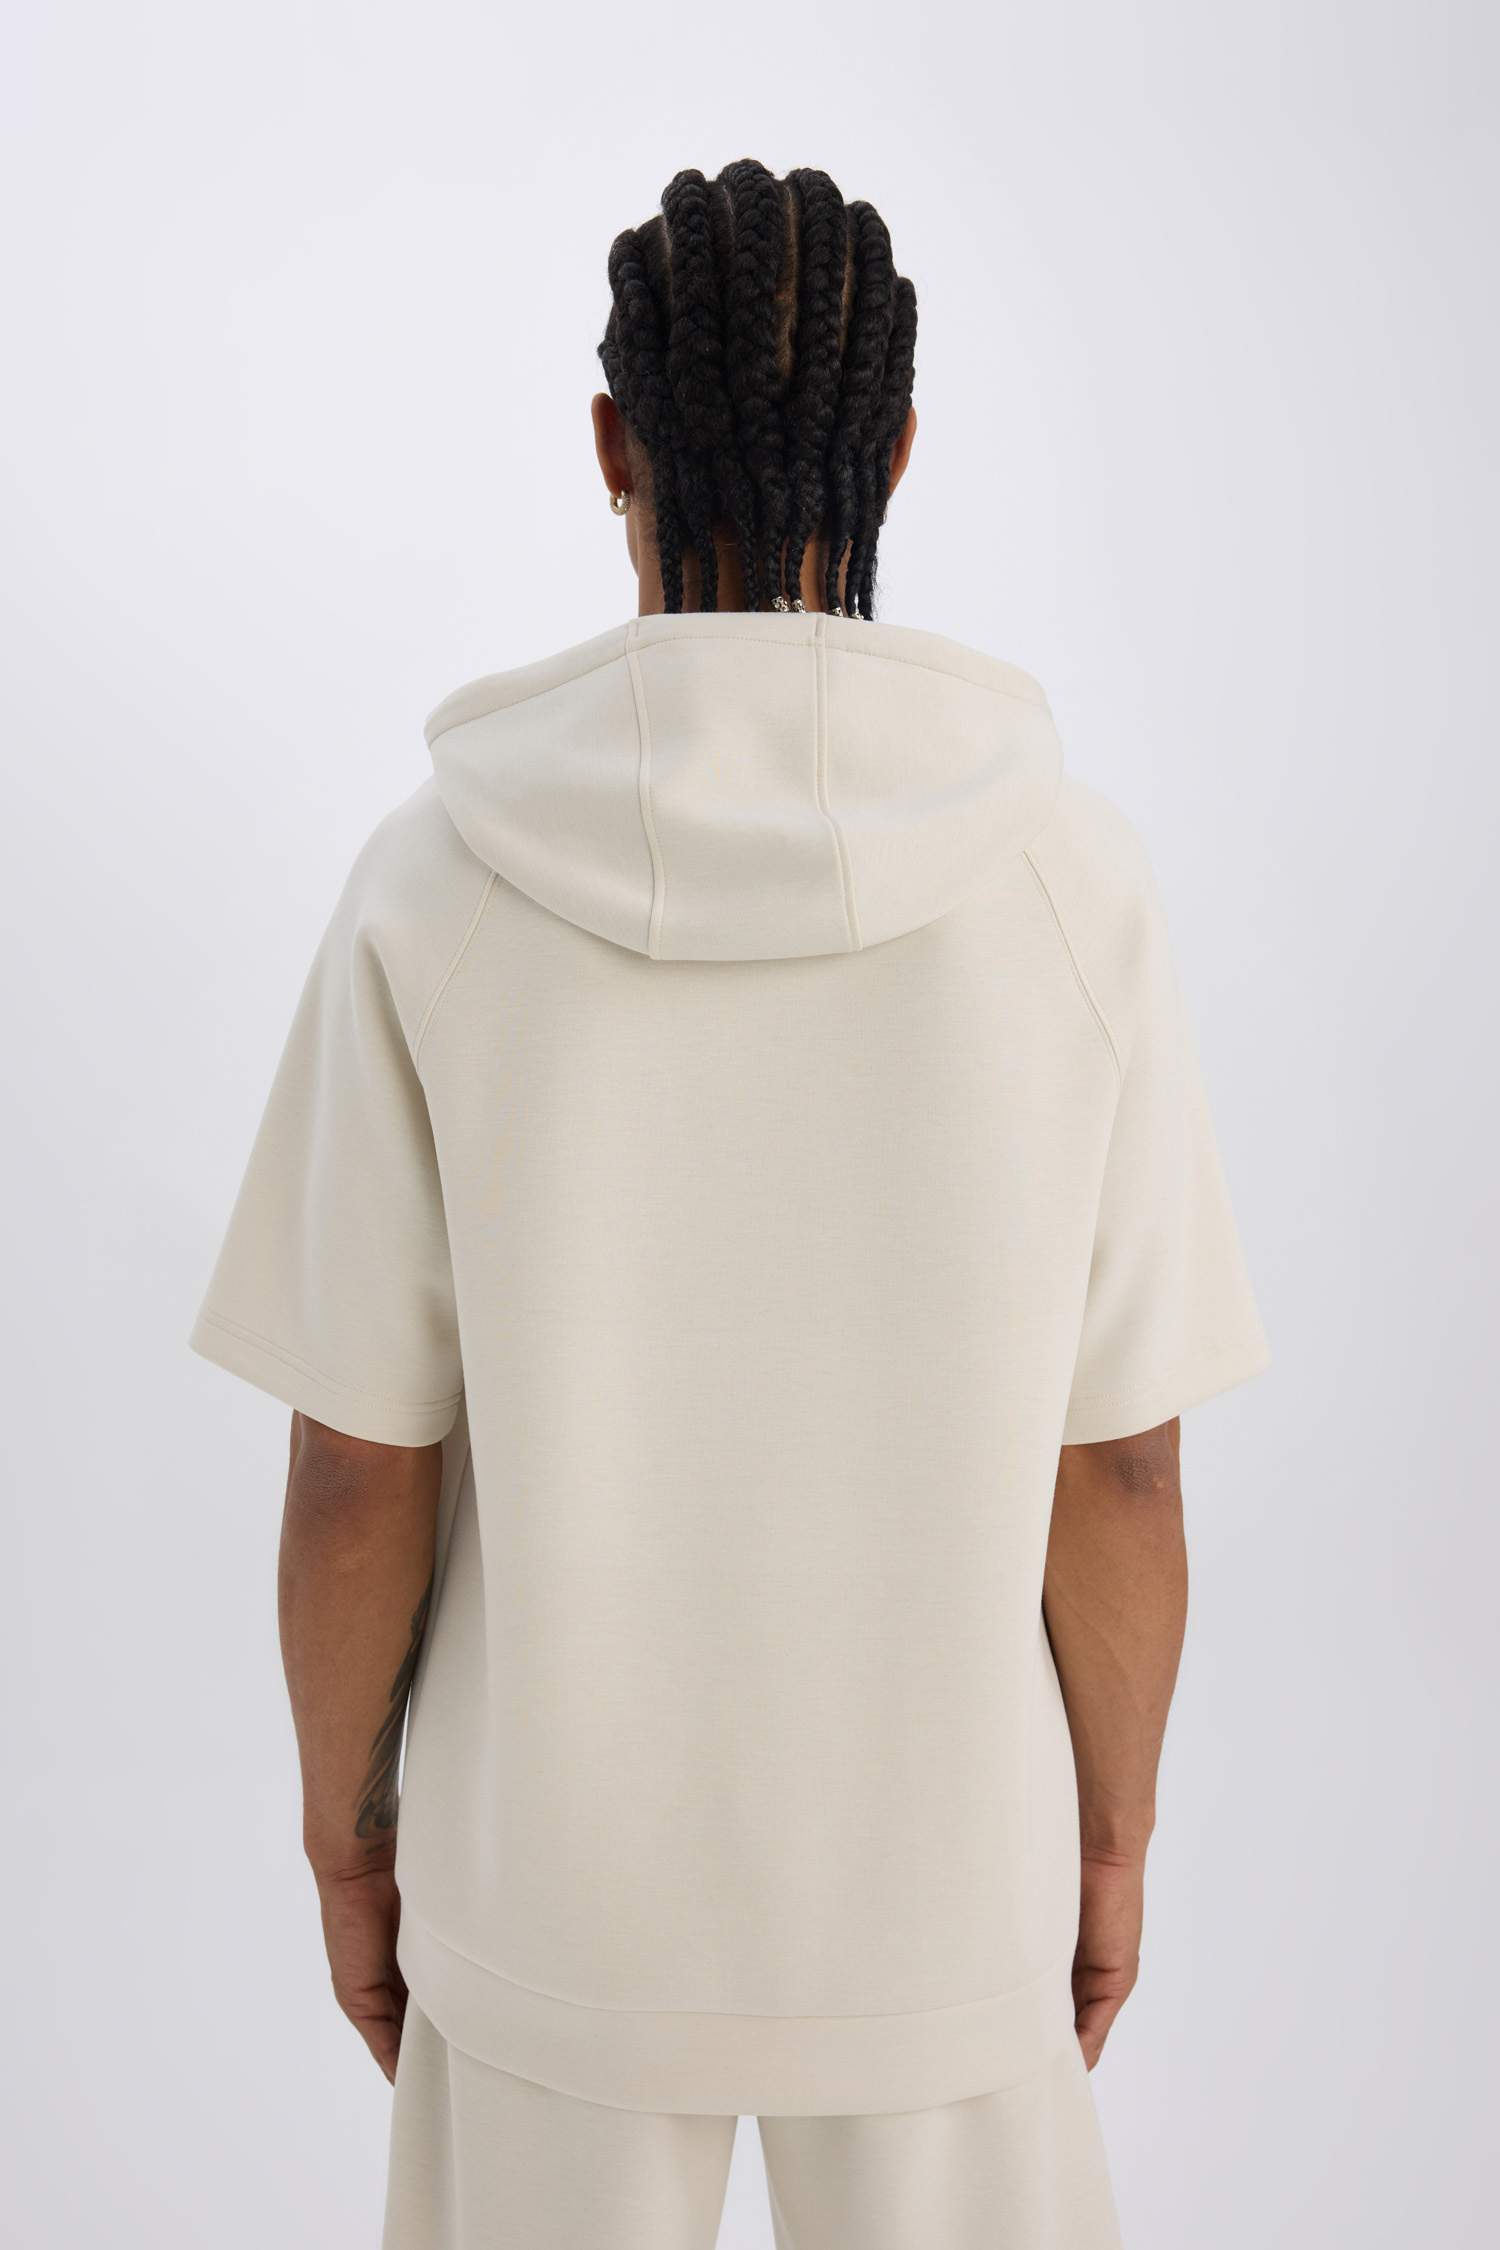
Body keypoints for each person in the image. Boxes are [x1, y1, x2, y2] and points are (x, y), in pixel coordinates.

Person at [190, 159, 1269, 2250]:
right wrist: (1109, 1841)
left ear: (613, 446)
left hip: (549, 1897)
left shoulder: (437, 879)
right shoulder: (1075, 883)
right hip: (948, 1892)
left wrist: (347, 1841)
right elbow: (1122, 1468)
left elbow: (354, 1470)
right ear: (901, 451)